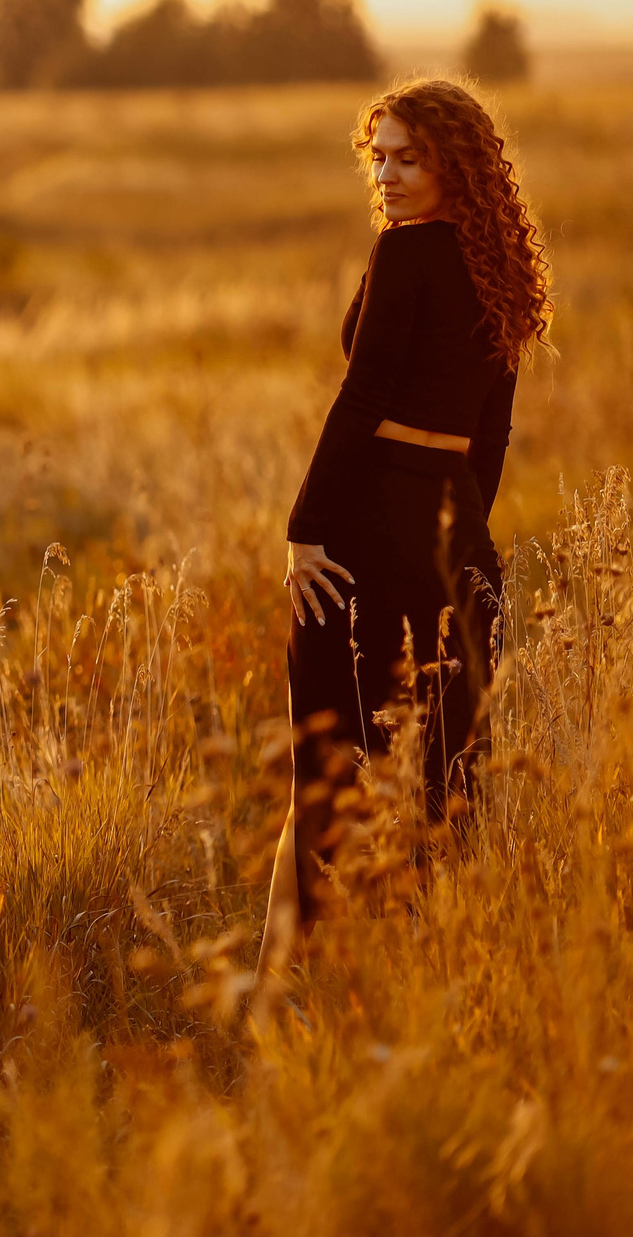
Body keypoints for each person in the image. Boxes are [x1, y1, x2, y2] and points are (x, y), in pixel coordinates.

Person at [264, 78, 552, 970]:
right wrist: (460, 530)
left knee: (330, 753)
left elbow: (361, 397)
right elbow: (492, 435)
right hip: (456, 529)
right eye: (377, 155)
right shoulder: (500, 263)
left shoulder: (407, 249)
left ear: (452, 163)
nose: (385, 174)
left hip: (370, 520)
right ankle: (428, 961)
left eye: (407, 157)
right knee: (444, 766)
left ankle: (299, 972)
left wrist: (305, 529)